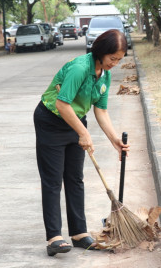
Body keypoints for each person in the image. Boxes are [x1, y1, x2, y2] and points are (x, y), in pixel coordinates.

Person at [33, 29, 129, 257]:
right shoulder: (79, 68)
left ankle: (78, 233)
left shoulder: (104, 74)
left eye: (119, 60)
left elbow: (101, 109)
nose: (115, 63)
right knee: (53, 180)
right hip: (51, 120)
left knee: (75, 179)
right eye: (112, 58)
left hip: (74, 121)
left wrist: (114, 139)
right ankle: (54, 237)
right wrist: (84, 133)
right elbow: (62, 104)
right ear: (101, 52)